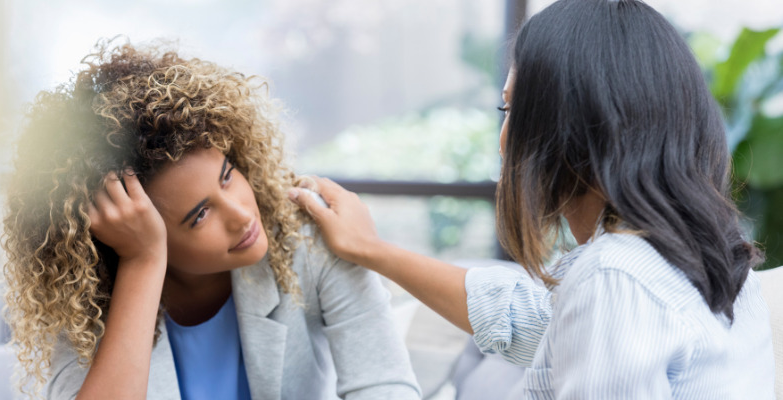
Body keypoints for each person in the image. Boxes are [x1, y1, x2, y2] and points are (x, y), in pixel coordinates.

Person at [289, 0, 776, 397]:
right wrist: (371, 250)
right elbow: (527, 316)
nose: (504, 139)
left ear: (571, 123)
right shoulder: (710, 257)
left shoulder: (615, 278)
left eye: (512, 108)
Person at [1, 42, 420, 400]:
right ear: (126, 229)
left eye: (228, 175)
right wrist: (143, 263)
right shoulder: (82, 299)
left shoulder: (309, 241)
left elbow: (387, 386)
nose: (242, 215)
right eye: (199, 215)